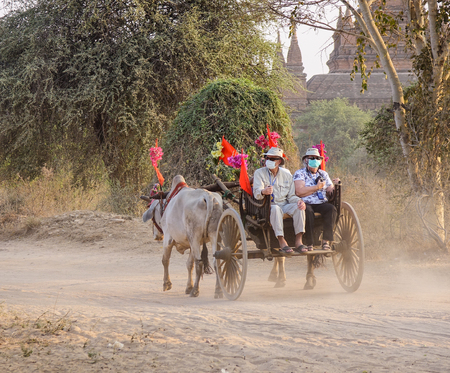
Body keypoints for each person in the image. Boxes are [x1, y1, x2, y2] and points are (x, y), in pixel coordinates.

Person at [252, 147, 308, 255]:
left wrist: (300, 201)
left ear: (279, 161)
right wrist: (264, 191)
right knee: (276, 209)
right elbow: (257, 193)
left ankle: (298, 240)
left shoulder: (286, 174)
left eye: (273, 159)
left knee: (299, 208)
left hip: (284, 204)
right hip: (267, 206)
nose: (269, 161)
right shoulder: (259, 173)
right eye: (268, 158)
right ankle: (282, 241)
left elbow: (291, 196)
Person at [293, 148, 340, 250]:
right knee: (308, 211)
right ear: (306, 160)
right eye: (312, 158)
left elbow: (329, 190)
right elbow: (299, 191)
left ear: (320, 160)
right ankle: (310, 243)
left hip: (321, 202)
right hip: (305, 202)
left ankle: (326, 241)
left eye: (317, 158)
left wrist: (336, 185)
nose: (315, 160)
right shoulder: (300, 173)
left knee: (331, 209)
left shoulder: (323, 174)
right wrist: (317, 188)